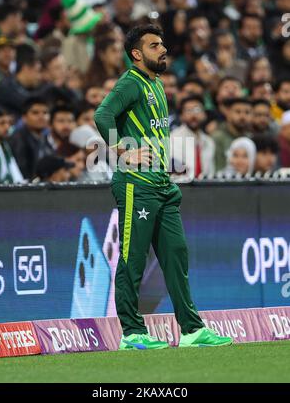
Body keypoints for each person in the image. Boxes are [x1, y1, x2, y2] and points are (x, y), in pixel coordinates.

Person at [94, 24, 232, 349]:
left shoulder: (156, 84)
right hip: (136, 185)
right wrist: (124, 150)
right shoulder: (130, 82)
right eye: (155, 45)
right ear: (137, 54)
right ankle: (131, 333)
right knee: (133, 259)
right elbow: (103, 115)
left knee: (176, 255)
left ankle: (192, 330)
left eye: (163, 44)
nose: (163, 49)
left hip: (162, 185)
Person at [170, 95, 215, 179]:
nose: (193, 115)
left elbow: (210, 173)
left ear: (204, 114)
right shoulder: (172, 139)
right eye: (188, 110)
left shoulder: (209, 142)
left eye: (197, 110)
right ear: (181, 116)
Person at [9, 97, 53, 180]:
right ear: (24, 118)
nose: (41, 116)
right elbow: (23, 173)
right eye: (35, 113)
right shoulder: (18, 139)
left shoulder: (44, 138)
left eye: (45, 113)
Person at [212, 97, 253, 171]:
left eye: (247, 112)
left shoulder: (251, 138)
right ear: (228, 113)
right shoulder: (217, 138)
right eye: (238, 112)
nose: (242, 116)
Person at [0, 105, 23, 184]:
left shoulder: (4, 145)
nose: (7, 127)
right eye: (2, 123)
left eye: (9, 123)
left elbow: (16, 176)